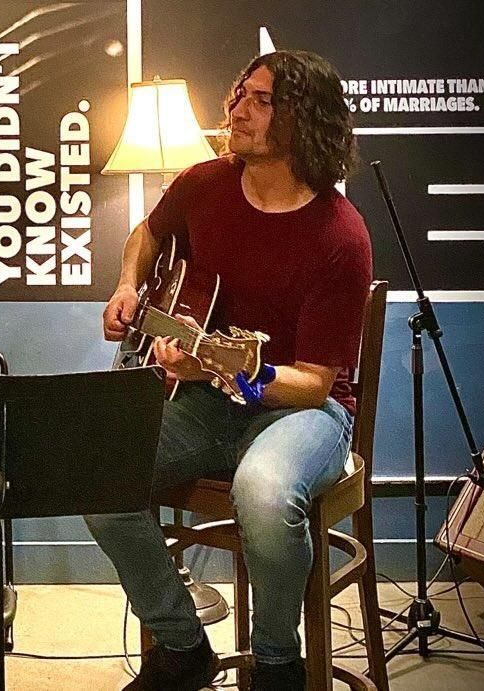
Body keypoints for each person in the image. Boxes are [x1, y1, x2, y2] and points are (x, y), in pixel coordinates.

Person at [85, 50, 373, 691]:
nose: (238, 110)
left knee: (264, 492)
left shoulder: (340, 234)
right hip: (208, 401)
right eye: (240, 94)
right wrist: (128, 284)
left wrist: (221, 366)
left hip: (304, 411)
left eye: (261, 100)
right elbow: (147, 233)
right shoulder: (204, 183)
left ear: (304, 119)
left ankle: (277, 663)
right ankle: (183, 649)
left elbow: (313, 384)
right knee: (98, 472)